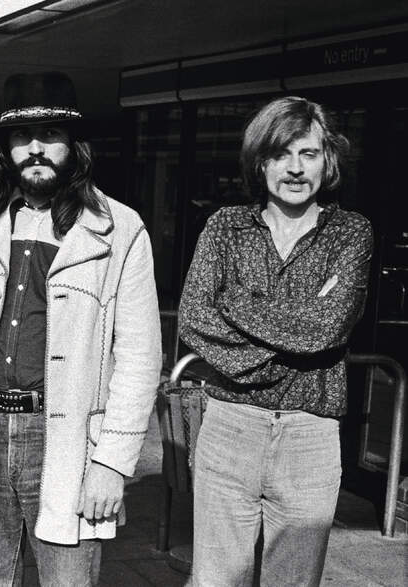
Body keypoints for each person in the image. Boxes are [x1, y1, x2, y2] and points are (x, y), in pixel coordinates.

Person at [0, 71, 162, 586]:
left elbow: (139, 356)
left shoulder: (120, 230)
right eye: (22, 137)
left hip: (66, 443)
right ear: (5, 148)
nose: (35, 148)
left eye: (51, 136)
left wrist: (113, 462)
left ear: (74, 146)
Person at [178, 96, 372, 586]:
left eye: (307, 154)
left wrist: (236, 303)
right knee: (216, 580)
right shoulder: (225, 227)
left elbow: (327, 327)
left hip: (310, 436)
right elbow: (195, 319)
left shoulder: (350, 233)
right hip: (228, 427)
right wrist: (286, 345)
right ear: (259, 162)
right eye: (281, 155)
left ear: (326, 160)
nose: (294, 169)